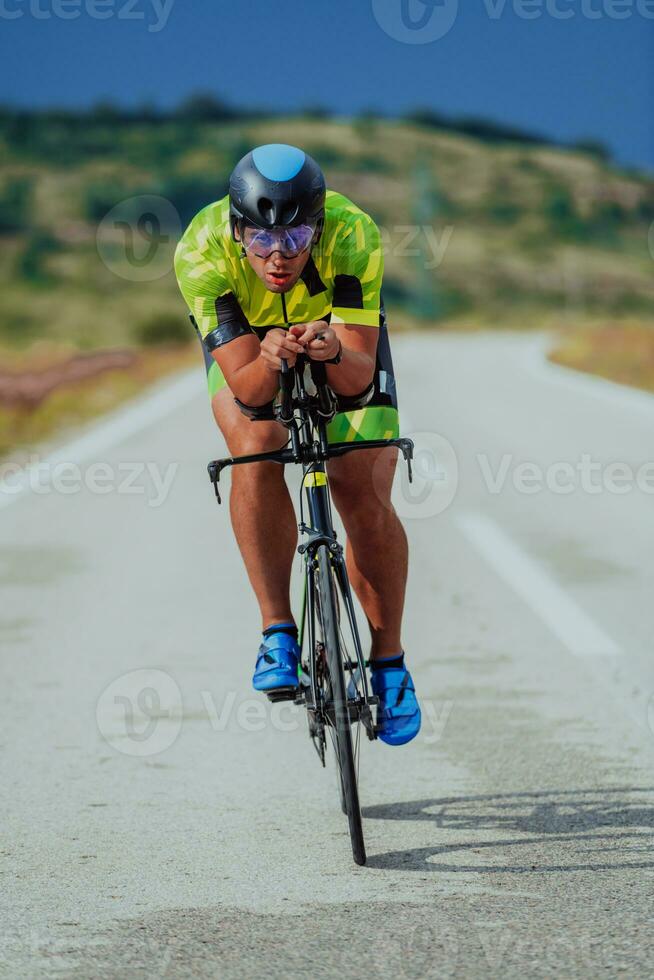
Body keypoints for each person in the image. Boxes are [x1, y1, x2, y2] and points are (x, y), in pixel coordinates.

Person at [174, 143, 420, 745]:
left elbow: (359, 376)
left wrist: (333, 350)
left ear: (319, 226)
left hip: (337, 336)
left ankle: (388, 662)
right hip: (251, 350)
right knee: (255, 447)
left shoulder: (352, 234)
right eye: (260, 241)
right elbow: (251, 394)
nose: (278, 257)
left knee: (360, 485)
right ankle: (277, 630)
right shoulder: (201, 250)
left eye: (296, 238)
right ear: (237, 230)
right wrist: (266, 354)